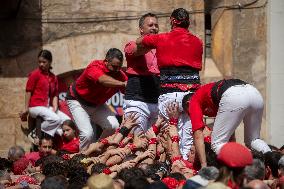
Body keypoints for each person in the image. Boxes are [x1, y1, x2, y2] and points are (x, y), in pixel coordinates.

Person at [135, 8, 203, 159]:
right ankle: (186, 167)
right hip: (192, 96)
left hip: (170, 95)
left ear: (172, 21)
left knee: (168, 136)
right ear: (188, 23)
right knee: (189, 137)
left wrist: (147, 39)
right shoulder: (198, 41)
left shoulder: (161, 38)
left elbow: (139, 41)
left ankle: (173, 172)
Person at [186, 78, 271, 167]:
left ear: (188, 104)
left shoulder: (193, 100)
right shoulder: (212, 99)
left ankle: (245, 162)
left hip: (234, 94)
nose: (191, 116)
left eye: (189, 113)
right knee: (253, 140)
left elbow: (198, 136)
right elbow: (230, 131)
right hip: (254, 93)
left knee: (217, 144)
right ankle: (274, 160)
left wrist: (204, 166)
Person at [66, 48, 128, 150]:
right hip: (78, 101)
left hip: (97, 104)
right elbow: (102, 80)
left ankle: (97, 149)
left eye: (119, 67)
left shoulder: (119, 75)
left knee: (113, 126)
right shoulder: (95, 66)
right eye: (114, 66)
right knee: (87, 134)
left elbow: (130, 91)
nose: (117, 70)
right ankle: (81, 160)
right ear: (106, 61)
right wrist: (122, 84)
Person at [19, 50, 70, 137]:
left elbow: (54, 95)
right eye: (39, 62)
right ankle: (34, 134)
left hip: (46, 107)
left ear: (50, 62)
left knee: (67, 121)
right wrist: (26, 108)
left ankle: (54, 139)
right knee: (56, 120)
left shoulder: (53, 77)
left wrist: (55, 108)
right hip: (35, 107)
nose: (41, 64)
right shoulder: (35, 74)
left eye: (44, 62)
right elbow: (28, 91)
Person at [123, 13, 160, 133]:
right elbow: (139, 49)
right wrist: (152, 42)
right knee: (136, 141)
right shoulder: (131, 45)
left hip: (156, 102)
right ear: (141, 29)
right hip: (137, 101)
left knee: (155, 144)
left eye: (156, 25)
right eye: (150, 25)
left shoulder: (160, 49)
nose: (154, 28)